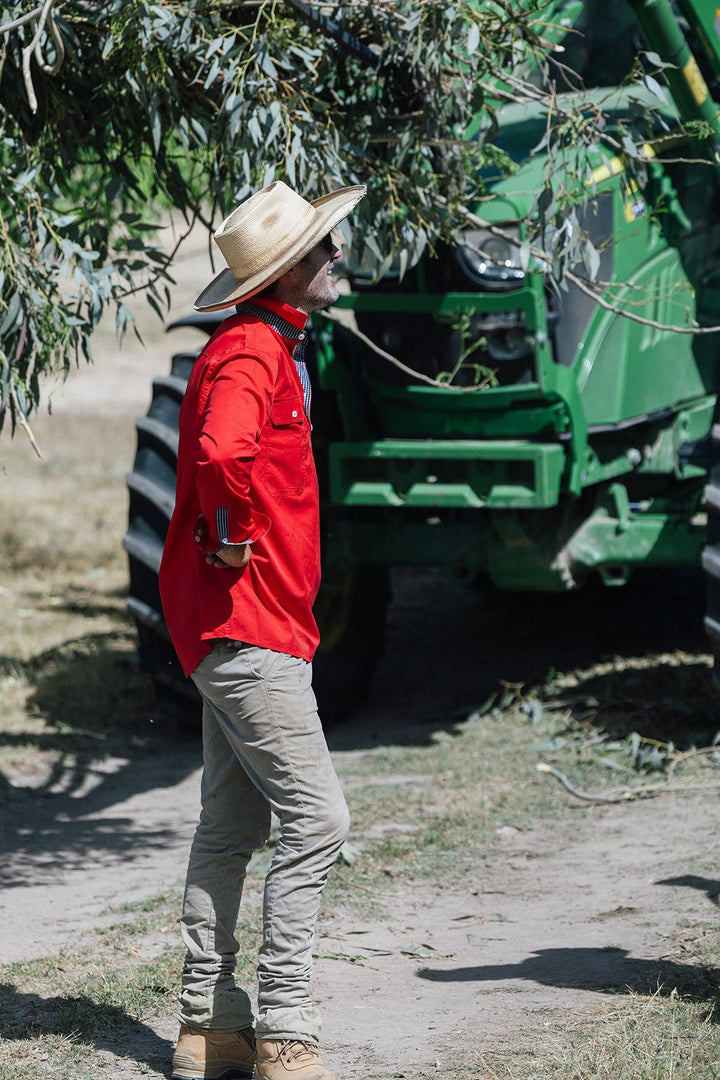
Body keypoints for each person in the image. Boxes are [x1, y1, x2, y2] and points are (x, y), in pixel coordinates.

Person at [158, 178, 367, 1080]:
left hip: (242, 624)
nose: (337, 257)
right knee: (319, 820)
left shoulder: (266, 343)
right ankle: (286, 1024)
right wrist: (232, 535)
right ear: (286, 271)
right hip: (249, 628)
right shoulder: (252, 353)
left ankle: (210, 1028)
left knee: (229, 822)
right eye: (323, 249)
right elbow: (216, 455)